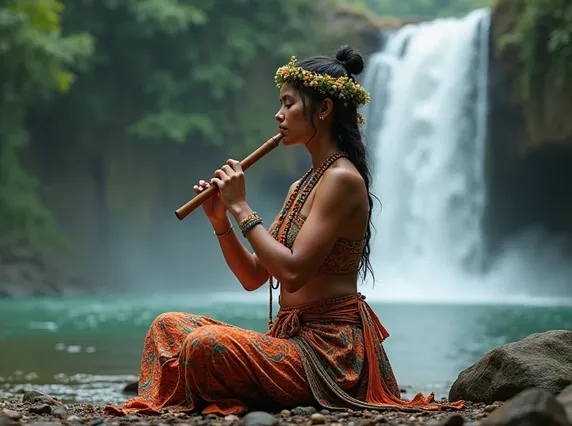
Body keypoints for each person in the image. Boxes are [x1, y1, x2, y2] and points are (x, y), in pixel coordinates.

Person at [105, 45, 464, 416]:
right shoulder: (302, 186)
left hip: (329, 356)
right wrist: (222, 220)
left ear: (323, 110)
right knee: (167, 327)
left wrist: (243, 207)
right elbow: (254, 275)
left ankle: (212, 398)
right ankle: (169, 403)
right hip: (290, 341)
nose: (278, 115)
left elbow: (292, 273)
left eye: (289, 104)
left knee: (203, 344)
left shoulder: (342, 180)